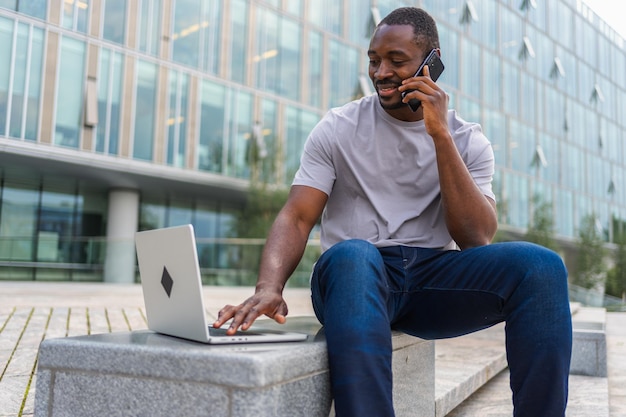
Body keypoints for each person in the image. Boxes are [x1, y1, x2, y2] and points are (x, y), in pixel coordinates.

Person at [214, 7, 572, 417]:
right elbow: (296, 215)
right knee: (354, 254)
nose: (381, 71)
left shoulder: (467, 140)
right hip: (354, 278)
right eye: (373, 59)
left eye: (396, 61)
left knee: (541, 266)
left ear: (430, 62)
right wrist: (268, 285)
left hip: (432, 280)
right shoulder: (338, 127)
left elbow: (476, 237)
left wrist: (439, 136)